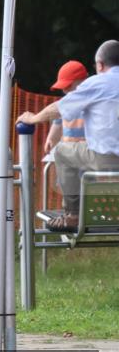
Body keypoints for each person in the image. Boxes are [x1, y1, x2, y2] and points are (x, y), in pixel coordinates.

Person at [18, 40, 119, 231]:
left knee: (63, 152)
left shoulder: (97, 83)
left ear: (100, 65)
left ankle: (73, 215)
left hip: (108, 159)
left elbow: (59, 108)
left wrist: (34, 118)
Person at [43, 60, 88, 155]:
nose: (64, 90)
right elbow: (57, 124)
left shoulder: (92, 101)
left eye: (68, 86)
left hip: (87, 150)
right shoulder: (65, 104)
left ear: (83, 81)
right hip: (70, 150)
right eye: (62, 87)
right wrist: (51, 139)